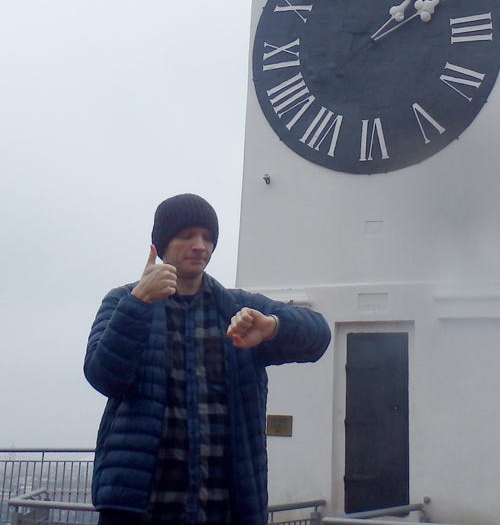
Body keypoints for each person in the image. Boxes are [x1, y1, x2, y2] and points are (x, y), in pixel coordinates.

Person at [84, 193, 331, 525]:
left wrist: (272, 327)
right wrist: (139, 302)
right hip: (141, 506)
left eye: (208, 237)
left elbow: (319, 336)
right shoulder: (123, 301)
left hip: (225, 505)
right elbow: (104, 376)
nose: (200, 245)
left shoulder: (237, 307)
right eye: (187, 236)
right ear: (160, 245)